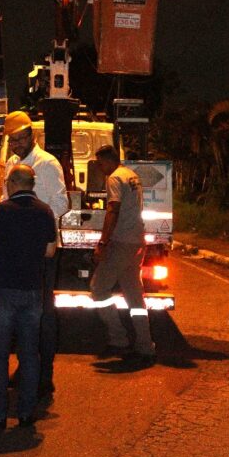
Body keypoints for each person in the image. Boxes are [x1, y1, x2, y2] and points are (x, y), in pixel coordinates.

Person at [0, 165, 57, 428]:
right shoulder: (45, 212)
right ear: (32, 184)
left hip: (3, 289)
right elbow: (49, 251)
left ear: (12, 182)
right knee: (29, 353)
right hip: (32, 290)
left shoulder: (0, 210)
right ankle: (26, 412)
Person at [2, 110, 69, 395]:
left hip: (41, 249)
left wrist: (33, 222)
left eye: (21, 139)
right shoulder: (11, 165)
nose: (17, 144)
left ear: (32, 135)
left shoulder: (48, 164)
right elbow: (6, 201)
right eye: (12, 140)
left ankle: (45, 375)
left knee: (42, 313)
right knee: (19, 311)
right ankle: (25, 367)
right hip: (15, 249)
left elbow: (62, 203)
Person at [90, 144, 156, 362]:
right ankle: (145, 345)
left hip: (121, 242)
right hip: (137, 241)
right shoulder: (131, 175)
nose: (100, 168)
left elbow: (113, 209)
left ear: (108, 160)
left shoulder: (114, 178)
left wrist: (103, 241)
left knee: (98, 289)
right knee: (135, 296)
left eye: (100, 164)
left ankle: (118, 339)